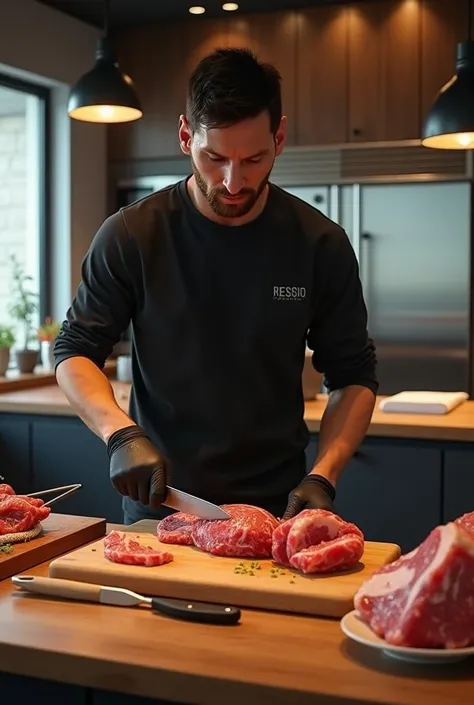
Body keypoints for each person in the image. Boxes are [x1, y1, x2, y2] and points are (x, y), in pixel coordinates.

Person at [53, 47, 378, 526]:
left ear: (280, 137)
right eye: (214, 157)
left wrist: (324, 476)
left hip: (278, 506)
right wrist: (119, 434)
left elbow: (353, 376)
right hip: (160, 503)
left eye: (253, 158)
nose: (232, 181)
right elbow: (75, 351)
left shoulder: (319, 244)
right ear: (186, 136)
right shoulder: (132, 236)